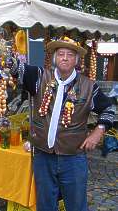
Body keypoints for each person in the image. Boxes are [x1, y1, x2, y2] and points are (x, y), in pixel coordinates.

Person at [10, 37, 114, 211]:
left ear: (76, 60)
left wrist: (98, 131)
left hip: (73, 158)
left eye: (70, 55)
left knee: (76, 206)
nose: (65, 58)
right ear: (55, 58)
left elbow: (109, 109)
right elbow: (15, 68)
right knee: (45, 205)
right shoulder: (39, 77)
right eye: (61, 54)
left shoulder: (89, 87)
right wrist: (2, 55)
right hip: (43, 156)